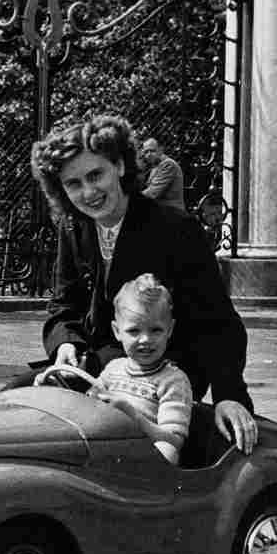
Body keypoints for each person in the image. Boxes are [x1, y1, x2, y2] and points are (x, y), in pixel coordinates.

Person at [26, 113, 257, 456]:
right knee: (21, 398)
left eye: (95, 175)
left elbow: (218, 321)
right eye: (73, 183)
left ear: (119, 166)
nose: (88, 192)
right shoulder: (73, 227)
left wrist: (229, 395)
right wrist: (66, 343)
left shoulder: (175, 229)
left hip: (161, 370)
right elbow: (64, 305)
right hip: (98, 365)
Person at [86, 273, 193, 466]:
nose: (145, 339)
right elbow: (88, 404)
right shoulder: (112, 369)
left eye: (156, 330)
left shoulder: (173, 380)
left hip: (144, 460)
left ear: (169, 330)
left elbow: (175, 440)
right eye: (134, 331)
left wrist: (132, 415)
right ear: (117, 331)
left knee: (167, 450)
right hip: (106, 449)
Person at [141, 137, 185, 211]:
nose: (149, 155)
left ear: (160, 150)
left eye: (152, 151)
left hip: (172, 212)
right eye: (146, 152)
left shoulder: (168, 164)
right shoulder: (156, 166)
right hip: (163, 211)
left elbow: (152, 193)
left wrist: (132, 199)